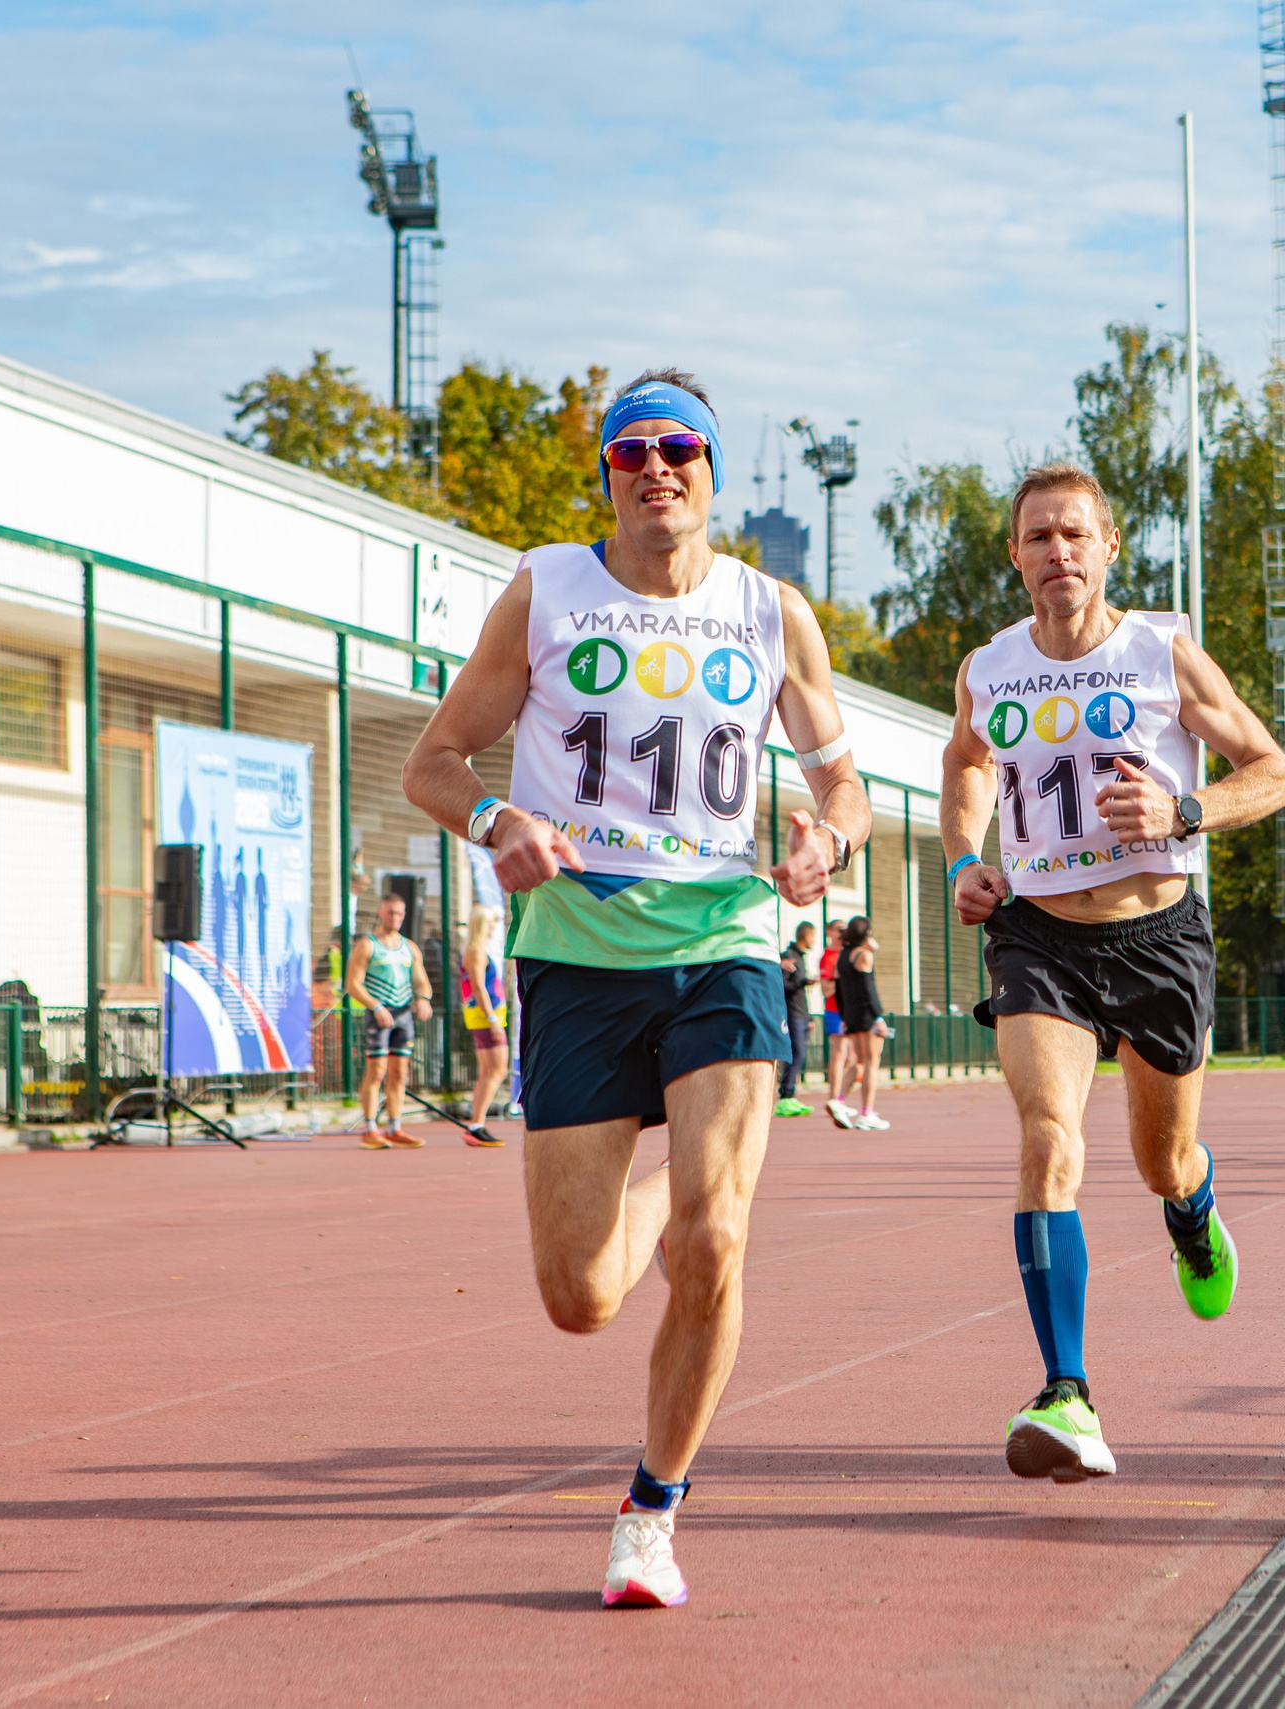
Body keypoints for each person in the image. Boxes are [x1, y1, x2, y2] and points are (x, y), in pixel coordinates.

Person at [401, 368, 871, 1608]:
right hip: (577, 952)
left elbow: (846, 785)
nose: (656, 468)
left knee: (717, 1238)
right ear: (607, 474)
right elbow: (433, 761)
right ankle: (670, 1184)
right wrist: (497, 819)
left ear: (712, 469)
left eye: (679, 448)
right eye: (631, 451)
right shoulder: (546, 589)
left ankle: (651, 1512)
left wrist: (828, 839)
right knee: (582, 1298)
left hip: (724, 939)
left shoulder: (770, 610)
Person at [942, 463, 1285, 1483]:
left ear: (1108, 548)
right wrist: (964, 858)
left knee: (1160, 1160)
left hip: (1158, 938)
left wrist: (1185, 811)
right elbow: (967, 761)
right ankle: (1067, 1392)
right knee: (1047, 1141)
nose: (1057, 551)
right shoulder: (989, 666)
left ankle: (1192, 1207)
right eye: (1037, 536)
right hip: (1038, 938)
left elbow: (1272, 770)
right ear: (1015, 555)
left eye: (1074, 534)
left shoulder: (1161, 652)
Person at [345, 893, 432, 1148]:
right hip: (379, 1016)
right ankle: (370, 1127)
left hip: (403, 1016)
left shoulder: (409, 947)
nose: (395, 917)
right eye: (390, 912)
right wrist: (376, 1006)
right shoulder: (368, 945)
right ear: (381, 913)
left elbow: (422, 982)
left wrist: (424, 999)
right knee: (376, 1071)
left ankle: (395, 1127)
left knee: (400, 1072)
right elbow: (353, 984)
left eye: (400, 913)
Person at [459, 904, 510, 1146]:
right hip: (485, 1017)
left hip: (482, 1016)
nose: (493, 927)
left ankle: (476, 1123)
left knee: (487, 1072)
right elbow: (478, 987)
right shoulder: (476, 952)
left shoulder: (474, 950)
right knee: (497, 1070)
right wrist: (492, 1020)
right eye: (490, 923)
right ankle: (477, 1123)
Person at [833, 915, 888, 1130]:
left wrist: (844, 1017)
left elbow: (839, 991)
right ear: (866, 933)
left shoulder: (842, 956)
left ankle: (839, 1101)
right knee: (871, 1064)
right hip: (866, 1016)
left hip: (851, 1016)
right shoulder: (864, 955)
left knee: (860, 1062)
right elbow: (868, 989)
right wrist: (878, 1017)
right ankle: (866, 1113)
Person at [776, 923, 816, 1117]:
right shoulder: (788, 956)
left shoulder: (801, 957)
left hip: (801, 1015)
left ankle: (790, 1094)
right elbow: (782, 986)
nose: (814, 940)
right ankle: (786, 1095)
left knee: (799, 1054)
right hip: (791, 1014)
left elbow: (801, 993)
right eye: (813, 936)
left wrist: (809, 1018)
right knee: (795, 1053)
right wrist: (803, 982)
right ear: (806, 936)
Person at [818, 920, 846, 1118]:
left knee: (853, 1058)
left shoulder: (849, 953)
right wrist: (843, 979)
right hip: (835, 1010)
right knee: (839, 1053)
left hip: (850, 1011)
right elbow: (826, 990)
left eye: (846, 930)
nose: (842, 933)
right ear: (829, 932)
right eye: (839, 930)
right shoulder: (828, 958)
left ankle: (840, 1098)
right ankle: (833, 1098)